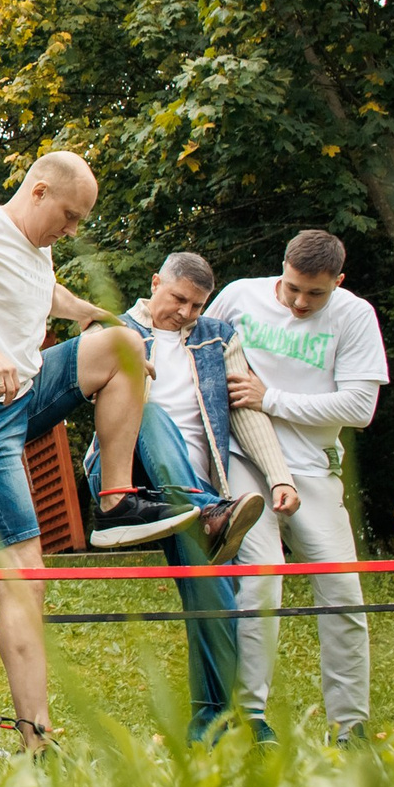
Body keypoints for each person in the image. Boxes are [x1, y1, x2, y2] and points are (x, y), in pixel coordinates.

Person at [0, 151, 205, 751]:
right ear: (36, 191)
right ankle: (37, 736)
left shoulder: (37, 246)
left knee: (123, 345)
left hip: (23, 394)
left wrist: (84, 310)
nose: (73, 228)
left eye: (80, 220)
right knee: (27, 576)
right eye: (69, 214)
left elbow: (36, 288)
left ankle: (113, 501)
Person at [95, 250, 301, 739]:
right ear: (155, 283)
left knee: (217, 596)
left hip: (200, 483)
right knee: (150, 412)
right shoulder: (114, 330)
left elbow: (246, 412)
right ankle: (210, 513)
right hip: (127, 479)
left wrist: (278, 476)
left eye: (196, 304)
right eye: (178, 299)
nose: (186, 313)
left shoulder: (217, 338)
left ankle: (213, 723)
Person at [206, 229, 389, 744]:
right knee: (263, 577)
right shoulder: (240, 295)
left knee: (343, 593)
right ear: (281, 268)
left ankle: (349, 726)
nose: (301, 302)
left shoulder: (354, 316)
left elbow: (359, 408)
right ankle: (250, 718)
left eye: (316, 294)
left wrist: (272, 398)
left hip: (314, 470)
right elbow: (199, 354)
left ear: (339, 282)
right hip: (247, 460)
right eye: (292, 289)